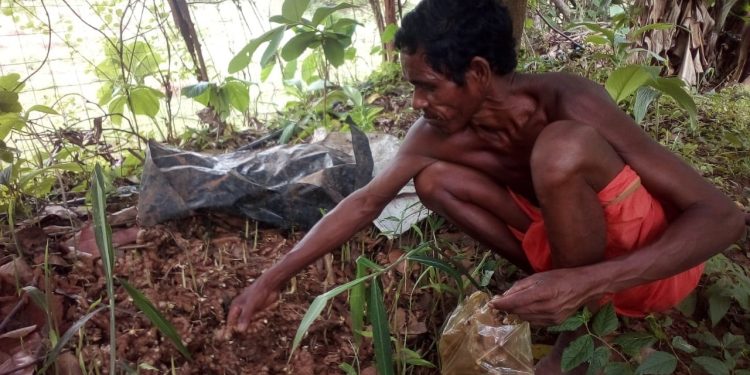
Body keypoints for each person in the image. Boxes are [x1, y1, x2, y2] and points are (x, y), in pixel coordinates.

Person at [228, 0, 746, 372]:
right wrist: (271, 279)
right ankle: (558, 292)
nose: (416, 103)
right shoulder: (436, 135)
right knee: (432, 181)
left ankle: (580, 315)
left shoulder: (568, 102)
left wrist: (589, 282)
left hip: (648, 266)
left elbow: (723, 216)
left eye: (427, 86)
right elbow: (366, 202)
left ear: (477, 72)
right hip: (563, 252)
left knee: (561, 148)